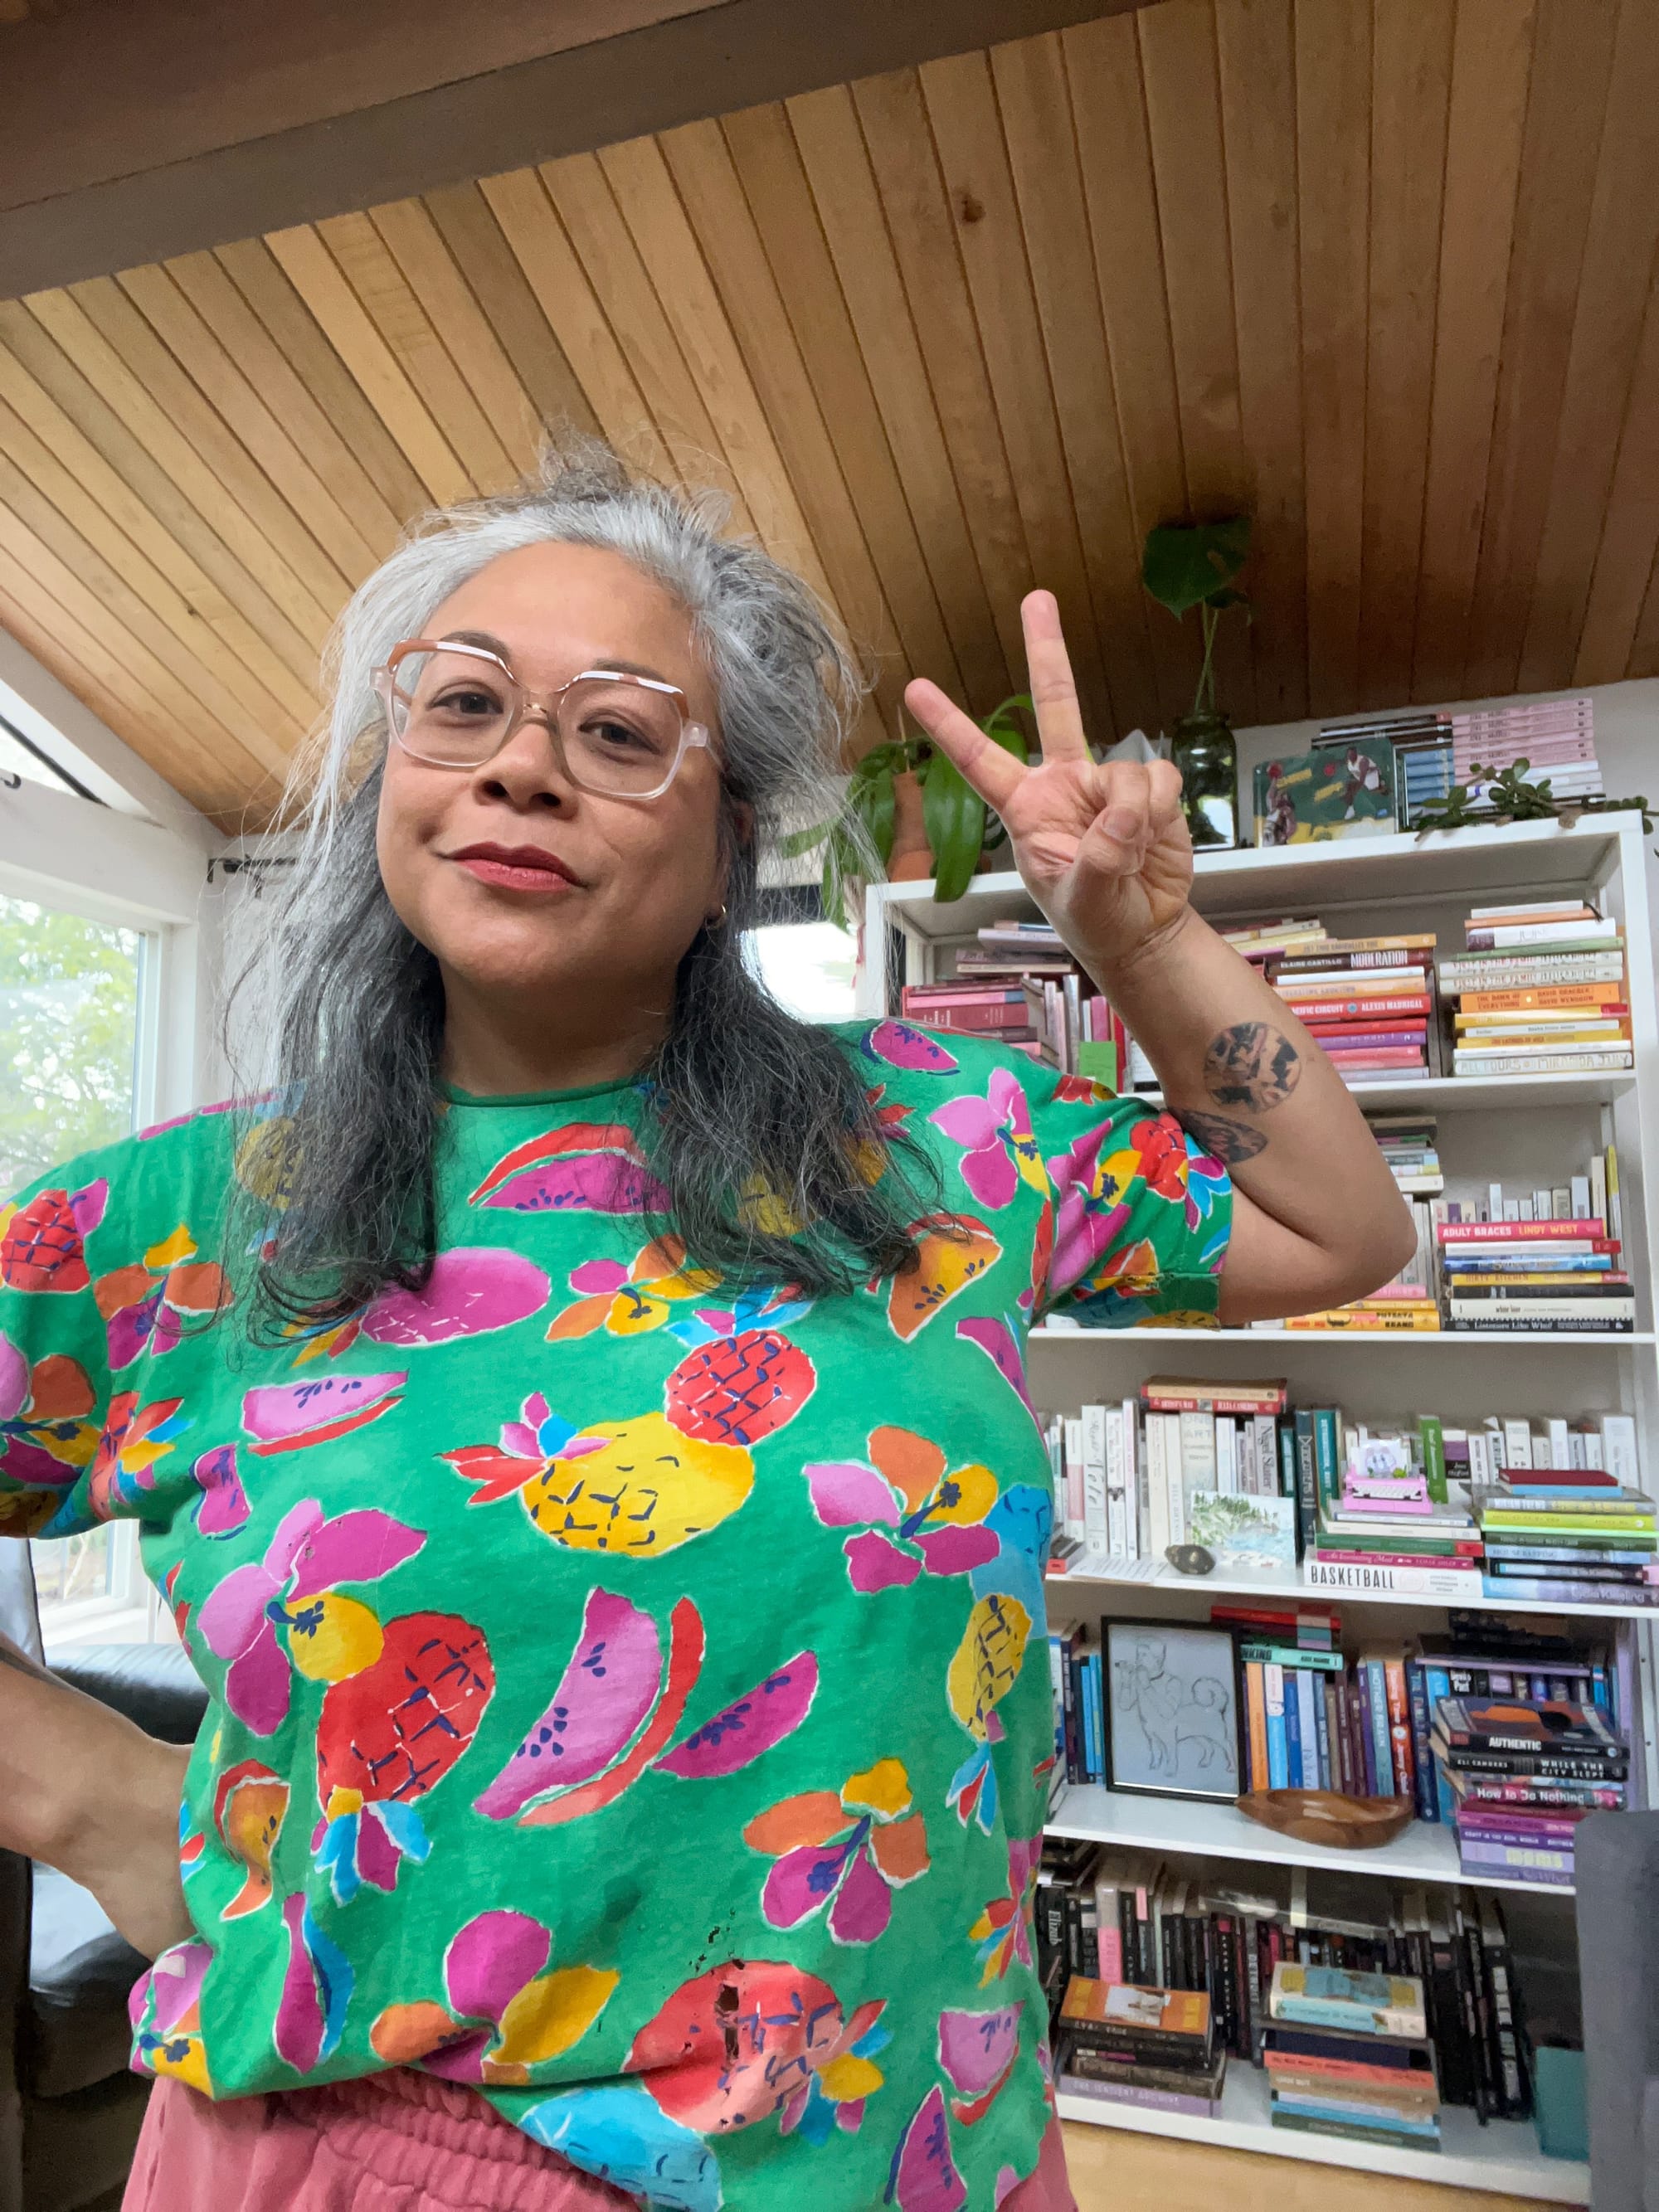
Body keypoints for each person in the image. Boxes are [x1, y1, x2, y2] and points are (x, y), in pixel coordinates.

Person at [0, 449, 1412, 2212]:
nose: (522, 758)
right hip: (383, 2144)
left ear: (730, 832)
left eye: (615, 729)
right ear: (390, 775)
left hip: (932, 2130)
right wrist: (82, 1795)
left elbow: (1336, 1226)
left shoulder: (937, 1136)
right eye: (464, 703)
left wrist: (1142, 937)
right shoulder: (181, 1221)